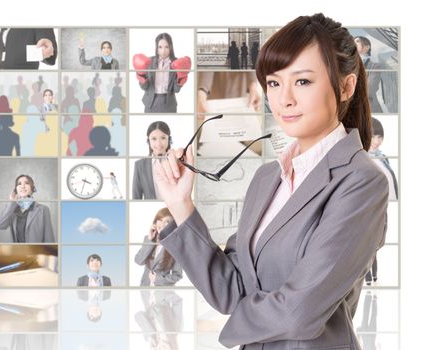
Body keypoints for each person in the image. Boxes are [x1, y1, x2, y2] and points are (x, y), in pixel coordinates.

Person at [152, 13, 389, 349]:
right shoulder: (268, 178)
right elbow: (232, 290)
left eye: (303, 81)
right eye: (274, 83)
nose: (284, 98)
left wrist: (229, 327)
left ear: (346, 86)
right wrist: (181, 206)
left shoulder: (362, 181)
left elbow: (300, 311)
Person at [364, 117, 398, 286]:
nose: (377, 141)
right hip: (366, 206)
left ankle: (373, 275)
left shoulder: (382, 157)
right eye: (373, 136)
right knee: (367, 242)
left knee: (378, 242)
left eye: (379, 137)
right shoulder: (362, 157)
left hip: (382, 204)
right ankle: (367, 276)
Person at [133, 33, 191, 113]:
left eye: (166, 47)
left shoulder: (177, 63)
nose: (163, 51)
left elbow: (176, 90)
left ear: (171, 47)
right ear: (156, 48)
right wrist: (140, 75)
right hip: (150, 103)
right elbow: (144, 87)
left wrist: (182, 78)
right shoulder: (149, 61)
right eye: (160, 47)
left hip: (169, 104)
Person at [0, 175, 55, 243]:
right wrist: (12, 202)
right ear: (16, 190)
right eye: (19, 184)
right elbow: (0, 226)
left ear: (32, 188)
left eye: (27, 183)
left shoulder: (43, 210)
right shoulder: (11, 209)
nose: (22, 186)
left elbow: (49, 238)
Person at [134, 208, 182, 286]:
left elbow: (177, 275)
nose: (162, 224)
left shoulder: (176, 245)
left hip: (163, 292)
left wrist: (158, 279)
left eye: (167, 221)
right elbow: (138, 261)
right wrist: (150, 240)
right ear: (155, 222)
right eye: (160, 220)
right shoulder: (148, 239)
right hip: (145, 289)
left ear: (173, 225)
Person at [132, 121, 172, 200]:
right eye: (154, 139)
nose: (158, 143)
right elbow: (136, 196)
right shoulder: (140, 165)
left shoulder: (177, 161)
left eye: (163, 138)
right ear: (148, 140)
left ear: (169, 139)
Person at [354, 36, 392, 113]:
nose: (354, 43)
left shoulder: (375, 66)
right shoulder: (351, 67)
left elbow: (370, 89)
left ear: (367, 47)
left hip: (370, 109)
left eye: (357, 41)